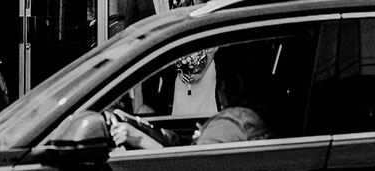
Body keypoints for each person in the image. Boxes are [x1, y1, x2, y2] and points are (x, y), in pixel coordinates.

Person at [110, 42, 273, 149]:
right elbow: (182, 143)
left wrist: (140, 139)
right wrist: (138, 125)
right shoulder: (243, 121)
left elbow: (186, 165)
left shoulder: (231, 126)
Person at [123, 0, 180, 113]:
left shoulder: (176, 1)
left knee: (166, 108)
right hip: (147, 64)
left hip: (170, 64)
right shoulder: (136, 0)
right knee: (147, 108)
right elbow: (130, 33)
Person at [171, 0, 217, 115]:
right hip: (184, 75)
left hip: (207, 71)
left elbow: (214, 45)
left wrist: (202, 71)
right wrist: (180, 69)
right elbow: (174, 43)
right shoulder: (181, 13)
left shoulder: (212, 13)